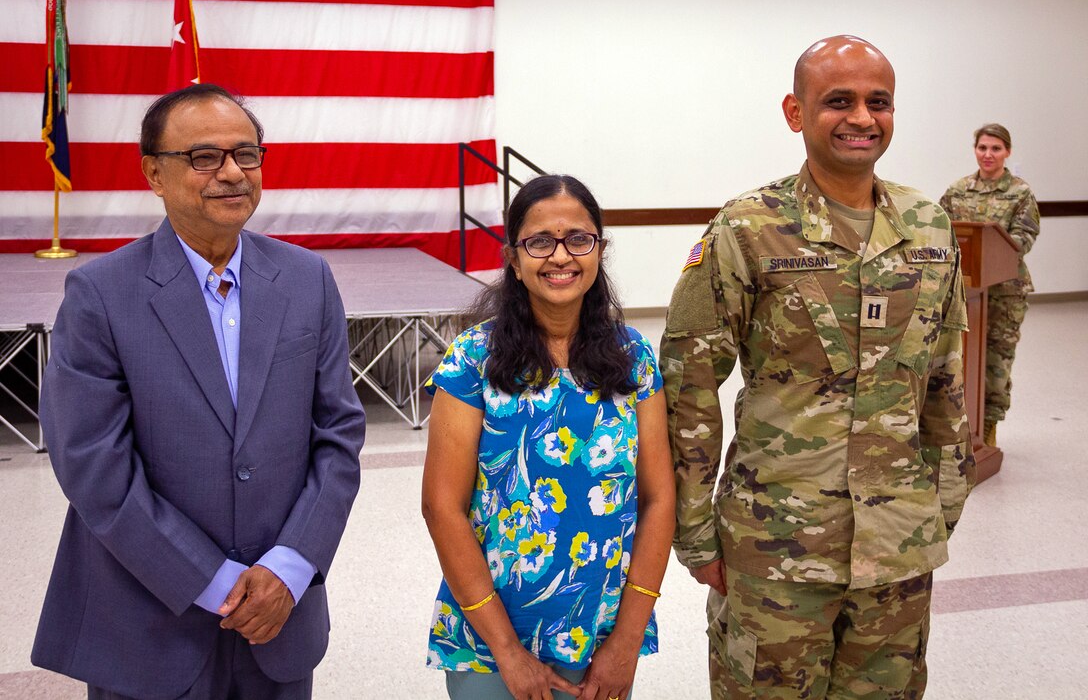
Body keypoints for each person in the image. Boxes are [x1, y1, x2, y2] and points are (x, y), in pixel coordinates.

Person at [661, 36, 975, 699]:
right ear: (795, 112)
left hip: (898, 541)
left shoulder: (929, 227)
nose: (862, 118)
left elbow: (945, 375)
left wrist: (946, 499)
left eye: (878, 102)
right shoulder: (747, 228)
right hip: (775, 546)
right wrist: (694, 532)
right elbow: (689, 386)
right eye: (839, 101)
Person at [31, 83, 366, 699]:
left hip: (280, 621)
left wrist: (289, 569)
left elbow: (339, 435)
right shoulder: (100, 294)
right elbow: (91, 466)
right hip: (148, 624)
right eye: (204, 157)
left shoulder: (306, 279)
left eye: (247, 153)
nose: (232, 172)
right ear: (153, 174)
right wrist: (216, 582)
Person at [421, 175, 675, 700]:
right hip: (490, 644)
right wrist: (509, 656)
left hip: (601, 637)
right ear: (514, 259)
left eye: (578, 239)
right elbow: (441, 508)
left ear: (600, 251)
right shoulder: (473, 359)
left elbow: (658, 499)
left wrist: (626, 642)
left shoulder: (633, 359)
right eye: (539, 241)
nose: (561, 256)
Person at [940, 123, 1040, 447]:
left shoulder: (1020, 193)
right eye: (982, 148)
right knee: (959, 360)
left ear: (1007, 152)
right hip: (966, 293)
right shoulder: (958, 190)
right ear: (975, 150)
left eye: (995, 148)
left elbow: (1023, 239)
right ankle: (960, 427)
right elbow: (942, 229)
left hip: (1005, 294)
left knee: (996, 364)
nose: (988, 154)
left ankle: (989, 428)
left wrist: (992, 254)